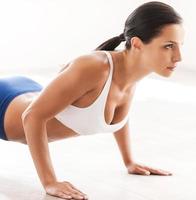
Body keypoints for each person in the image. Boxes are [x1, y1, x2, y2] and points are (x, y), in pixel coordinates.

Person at [0, 1, 184, 199]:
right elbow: (32, 116)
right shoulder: (96, 67)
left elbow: (119, 110)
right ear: (137, 44)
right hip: (6, 104)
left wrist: (129, 161)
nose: (179, 57)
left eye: (180, 46)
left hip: (27, 91)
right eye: (168, 46)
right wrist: (50, 182)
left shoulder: (133, 72)